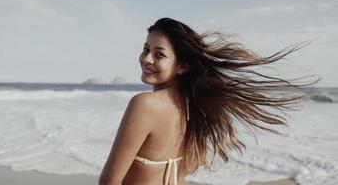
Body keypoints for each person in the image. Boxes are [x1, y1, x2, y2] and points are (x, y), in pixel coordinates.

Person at [98, 17, 319, 185]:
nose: (147, 59)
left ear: (182, 65)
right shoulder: (194, 105)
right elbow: (188, 166)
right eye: (146, 49)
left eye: (159, 54)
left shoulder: (144, 104)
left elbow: (109, 181)